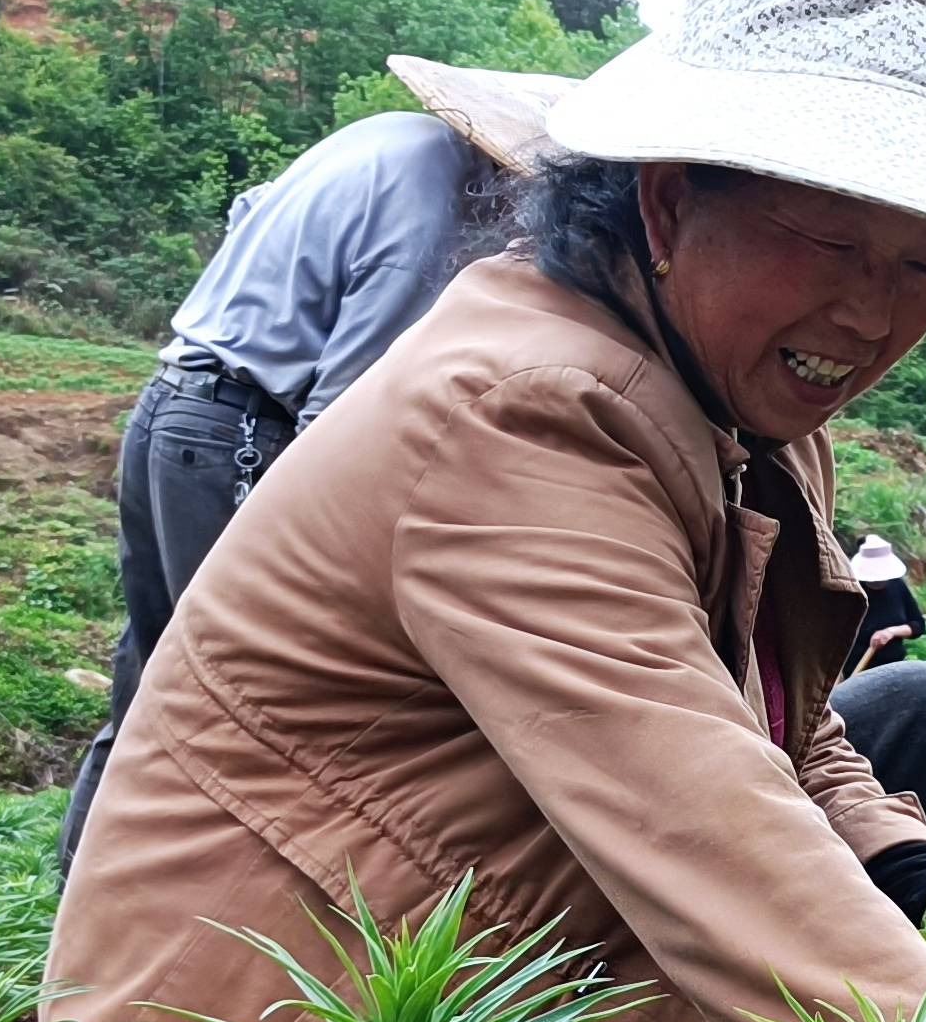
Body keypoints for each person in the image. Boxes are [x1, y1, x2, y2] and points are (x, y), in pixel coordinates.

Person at [47, 0, 926, 1022]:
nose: (873, 312)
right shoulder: (517, 408)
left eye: (923, 262)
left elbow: (778, 739)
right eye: (837, 244)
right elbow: (708, 823)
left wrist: (922, 884)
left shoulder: (747, 408)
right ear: (670, 207)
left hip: (515, 943)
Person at [55, 58, 583, 868]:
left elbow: (244, 216)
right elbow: (338, 415)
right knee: (240, 698)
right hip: (238, 431)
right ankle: (191, 923)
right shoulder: (430, 208)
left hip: (171, 405)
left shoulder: (375, 140)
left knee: (150, 679)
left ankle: (77, 919)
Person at [846, 534, 925, 671]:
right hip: (857, 671)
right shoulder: (851, 591)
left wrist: (891, 632)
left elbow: (918, 625)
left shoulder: (898, 586)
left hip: (894, 669)